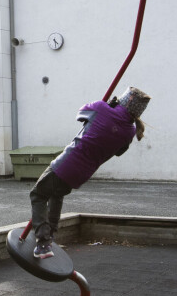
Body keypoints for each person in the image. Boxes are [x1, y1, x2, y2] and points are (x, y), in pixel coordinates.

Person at [30, 87, 150, 259]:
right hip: (82, 174)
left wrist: (107, 107)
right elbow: (119, 151)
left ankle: (43, 243)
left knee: (37, 194)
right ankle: (50, 235)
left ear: (124, 99)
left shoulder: (101, 108)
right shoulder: (130, 131)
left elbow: (80, 113)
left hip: (66, 163)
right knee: (57, 193)